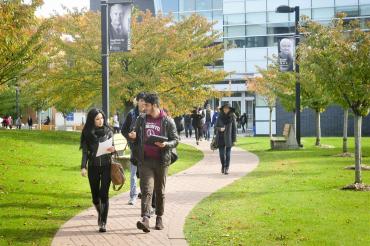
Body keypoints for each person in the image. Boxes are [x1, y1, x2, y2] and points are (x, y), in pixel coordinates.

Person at [128, 93, 178, 233]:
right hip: (145, 160)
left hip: (162, 161)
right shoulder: (141, 119)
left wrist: (166, 144)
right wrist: (132, 137)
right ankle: (145, 219)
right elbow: (135, 134)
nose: (144, 107)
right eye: (143, 105)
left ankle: (159, 217)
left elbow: (176, 140)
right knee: (146, 190)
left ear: (154, 105)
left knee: (160, 191)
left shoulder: (168, 121)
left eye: (147, 105)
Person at [80, 108, 116, 233]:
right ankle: (100, 212)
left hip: (107, 166)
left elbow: (115, 148)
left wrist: (113, 150)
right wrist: (83, 166)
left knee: (104, 194)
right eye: (97, 119)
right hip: (93, 167)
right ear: (92, 120)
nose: (101, 121)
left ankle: (103, 222)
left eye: (102, 118)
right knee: (95, 197)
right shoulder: (87, 133)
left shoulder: (109, 131)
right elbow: (85, 152)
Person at [121, 93, 146, 206]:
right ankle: (133, 196)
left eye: (145, 101)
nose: (143, 103)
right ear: (137, 101)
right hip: (135, 148)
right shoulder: (131, 114)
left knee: (145, 174)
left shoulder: (149, 114)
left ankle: (144, 194)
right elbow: (123, 130)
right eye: (141, 100)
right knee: (133, 174)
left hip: (147, 150)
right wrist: (130, 137)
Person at [215, 103, 237, 175]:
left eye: (227, 108)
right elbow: (215, 127)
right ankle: (223, 166)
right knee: (221, 154)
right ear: (223, 109)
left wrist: (234, 140)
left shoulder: (232, 116)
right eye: (224, 108)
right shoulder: (219, 116)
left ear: (229, 109)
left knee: (227, 154)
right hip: (220, 138)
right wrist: (220, 129)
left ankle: (226, 168)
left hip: (229, 138)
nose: (226, 109)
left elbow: (234, 129)